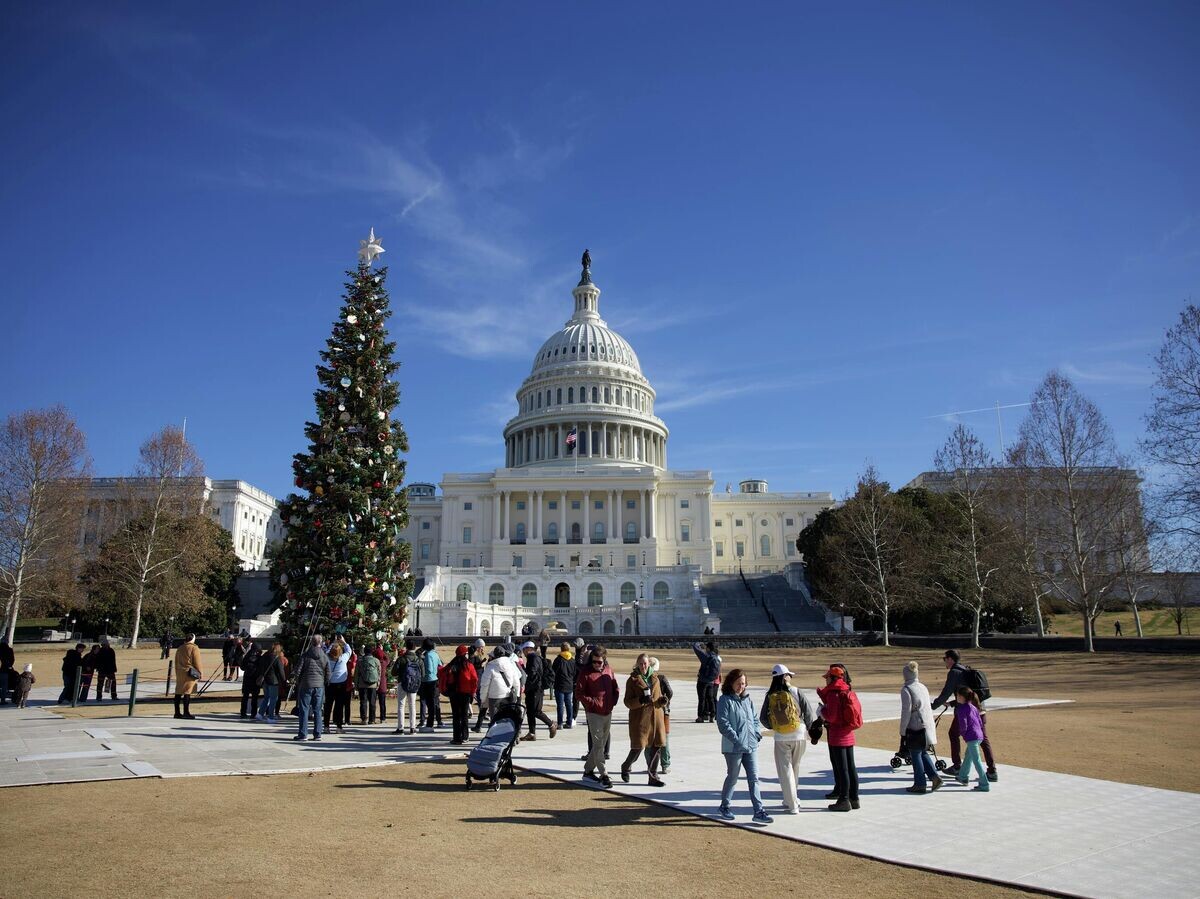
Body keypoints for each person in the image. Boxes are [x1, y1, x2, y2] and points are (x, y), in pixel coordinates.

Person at [931, 649, 998, 783]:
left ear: (950, 659)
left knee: (953, 734)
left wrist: (932, 707)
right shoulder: (966, 670)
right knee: (983, 739)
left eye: (945, 659)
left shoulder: (955, 672)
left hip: (966, 711)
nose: (944, 662)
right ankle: (992, 771)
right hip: (980, 709)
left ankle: (957, 766)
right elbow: (968, 694)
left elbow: (946, 692)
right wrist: (952, 703)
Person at [715, 668, 772, 824]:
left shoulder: (747, 700)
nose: (741, 686)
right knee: (733, 777)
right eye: (739, 683)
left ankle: (759, 811)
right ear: (731, 683)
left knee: (754, 778)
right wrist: (737, 739)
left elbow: (754, 719)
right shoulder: (725, 700)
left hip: (751, 746)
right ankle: (724, 806)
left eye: (744, 683)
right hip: (733, 748)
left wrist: (756, 733)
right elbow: (723, 724)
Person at [759, 663, 814, 815]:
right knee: (795, 767)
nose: (791, 676)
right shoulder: (796, 691)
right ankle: (792, 799)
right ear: (785, 676)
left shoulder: (770, 694)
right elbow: (808, 713)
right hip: (799, 733)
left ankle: (791, 803)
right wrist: (810, 729)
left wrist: (775, 726)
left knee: (785, 770)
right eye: (789, 674)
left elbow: (763, 718)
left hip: (781, 737)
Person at [817, 664, 862, 812]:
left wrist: (822, 710)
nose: (826, 680)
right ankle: (854, 798)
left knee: (842, 769)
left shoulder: (833, 693)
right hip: (848, 733)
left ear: (832, 677)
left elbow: (832, 716)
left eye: (827, 677)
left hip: (837, 735)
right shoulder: (846, 689)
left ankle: (843, 800)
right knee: (850, 767)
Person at [620, 653, 668, 787]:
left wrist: (663, 701)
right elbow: (627, 702)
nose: (643, 666)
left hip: (656, 719)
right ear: (637, 665)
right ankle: (626, 766)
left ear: (649, 664)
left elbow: (657, 699)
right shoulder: (632, 680)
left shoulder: (656, 678)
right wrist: (640, 700)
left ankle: (653, 777)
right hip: (640, 720)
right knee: (638, 748)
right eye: (640, 663)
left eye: (645, 663)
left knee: (656, 748)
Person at [577, 644, 619, 789]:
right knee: (598, 744)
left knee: (601, 743)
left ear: (604, 660)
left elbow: (615, 688)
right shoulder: (586, 672)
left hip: (607, 711)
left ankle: (588, 771)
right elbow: (579, 694)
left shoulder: (609, 670)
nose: (596, 664)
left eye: (599, 662)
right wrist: (592, 703)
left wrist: (612, 702)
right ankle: (604, 774)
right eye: (594, 661)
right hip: (594, 713)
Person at [899, 660, 942, 795]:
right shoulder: (922, 687)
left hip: (915, 726)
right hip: (926, 724)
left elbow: (906, 711)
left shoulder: (906, 690)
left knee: (915, 753)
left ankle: (920, 783)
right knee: (922, 751)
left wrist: (902, 729)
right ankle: (934, 777)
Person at [519, 641, 558, 741]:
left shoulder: (533, 658)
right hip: (534, 688)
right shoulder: (534, 657)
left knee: (536, 711)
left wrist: (526, 674)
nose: (523, 652)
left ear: (528, 649)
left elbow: (533, 673)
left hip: (535, 689)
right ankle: (532, 733)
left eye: (524, 650)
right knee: (531, 712)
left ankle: (551, 724)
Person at [954, 685, 990, 791]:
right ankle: (962, 777)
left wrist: (964, 735)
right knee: (968, 756)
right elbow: (980, 722)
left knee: (976, 760)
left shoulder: (961, 709)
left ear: (961, 697)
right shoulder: (973, 707)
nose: (956, 697)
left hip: (972, 737)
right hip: (979, 736)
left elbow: (963, 725)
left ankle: (984, 784)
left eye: (957, 695)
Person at [294, 635, 330, 742]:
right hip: (319, 685)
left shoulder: (305, 655)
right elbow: (328, 672)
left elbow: (298, 670)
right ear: (321, 642)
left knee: (304, 710)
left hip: (306, 684)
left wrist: (298, 681)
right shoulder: (324, 656)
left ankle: (303, 734)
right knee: (317, 710)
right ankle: (317, 734)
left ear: (311, 642)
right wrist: (325, 682)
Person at [478, 645, 520, 728]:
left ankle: (495, 736)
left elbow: (484, 685)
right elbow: (516, 681)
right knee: (508, 718)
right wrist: (517, 694)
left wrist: (483, 699)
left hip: (494, 697)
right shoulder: (510, 664)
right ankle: (510, 736)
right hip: (508, 695)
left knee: (495, 720)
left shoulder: (490, 667)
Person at [444, 645, 479, 744]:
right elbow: (474, 680)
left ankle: (456, 738)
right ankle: (465, 736)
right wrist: (473, 692)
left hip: (454, 694)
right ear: (465, 654)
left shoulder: (451, 665)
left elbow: (448, 679)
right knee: (464, 716)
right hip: (466, 693)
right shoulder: (469, 665)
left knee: (456, 716)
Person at [648, 657, 674, 774]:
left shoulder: (644, 678)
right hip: (663, 712)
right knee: (664, 739)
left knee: (649, 739)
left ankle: (650, 764)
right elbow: (670, 692)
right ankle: (665, 764)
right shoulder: (662, 678)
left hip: (648, 712)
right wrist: (665, 701)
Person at [393, 641, 421, 735]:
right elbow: (423, 673)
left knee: (401, 705)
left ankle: (400, 728)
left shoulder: (401, 659)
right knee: (412, 705)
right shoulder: (418, 659)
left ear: (406, 647)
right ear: (415, 647)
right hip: (414, 684)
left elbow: (393, 672)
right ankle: (412, 728)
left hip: (402, 683)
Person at [173, 634, 203, 720]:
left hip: (180, 672)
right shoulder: (194, 648)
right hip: (189, 673)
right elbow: (197, 662)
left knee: (178, 692)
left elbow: (176, 661)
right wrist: (200, 673)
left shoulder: (180, 648)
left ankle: (177, 712)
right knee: (187, 692)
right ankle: (186, 712)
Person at [323, 644, 351, 733]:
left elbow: (326, 652)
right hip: (341, 684)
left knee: (328, 706)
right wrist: (344, 642)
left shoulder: (326, 658)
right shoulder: (343, 659)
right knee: (339, 706)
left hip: (330, 684)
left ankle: (326, 726)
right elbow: (349, 651)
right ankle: (339, 727)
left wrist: (332, 643)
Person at [257, 641, 286, 722]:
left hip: (264, 680)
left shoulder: (264, 656)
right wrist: (284, 681)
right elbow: (281, 671)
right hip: (273, 681)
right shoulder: (277, 658)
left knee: (266, 698)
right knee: (273, 699)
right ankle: (270, 717)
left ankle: (260, 714)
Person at [692, 641, 721, 723]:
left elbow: (695, 647)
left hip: (702, 680)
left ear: (708, 648)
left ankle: (701, 716)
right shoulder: (717, 657)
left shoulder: (706, 656)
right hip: (712, 681)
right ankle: (712, 715)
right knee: (710, 698)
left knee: (702, 699)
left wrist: (699, 643)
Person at [417, 637, 442, 731]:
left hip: (428, 680)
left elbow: (429, 669)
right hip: (435, 680)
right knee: (433, 702)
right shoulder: (435, 654)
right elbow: (440, 665)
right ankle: (432, 721)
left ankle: (429, 723)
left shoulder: (427, 655)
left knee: (429, 703)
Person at [552, 642, 577, 729]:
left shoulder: (558, 660)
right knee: (569, 704)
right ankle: (569, 722)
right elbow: (574, 673)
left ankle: (560, 723)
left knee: (560, 705)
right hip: (569, 685)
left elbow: (553, 671)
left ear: (561, 649)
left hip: (559, 684)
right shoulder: (572, 660)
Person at [355, 644, 382, 724]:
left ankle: (364, 719)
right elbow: (379, 673)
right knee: (372, 702)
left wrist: (356, 684)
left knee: (363, 702)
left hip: (362, 684)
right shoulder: (376, 661)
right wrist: (378, 683)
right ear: (372, 651)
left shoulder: (360, 661)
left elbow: (357, 673)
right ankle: (372, 719)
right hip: (373, 684)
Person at [239, 641, 262, 719]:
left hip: (247, 678)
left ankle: (243, 712)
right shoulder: (259, 657)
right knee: (255, 697)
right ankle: (253, 713)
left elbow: (242, 667)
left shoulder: (247, 656)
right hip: (255, 679)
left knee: (245, 697)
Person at [373, 643, 390, 724]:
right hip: (382, 685)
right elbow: (388, 659)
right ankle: (383, 718)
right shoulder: (383, 663)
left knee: (372, 703)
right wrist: (382, 650)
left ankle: (372, 717)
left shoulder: (373, 662)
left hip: (373, 684)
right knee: (382, 703)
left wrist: (376, 650)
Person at [0, 639, 14, 704]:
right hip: (5, 670)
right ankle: (3, 700)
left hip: (3, 669)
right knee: (4, 686)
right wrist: (10, 666)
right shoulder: (9, 650)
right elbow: (12, 659)